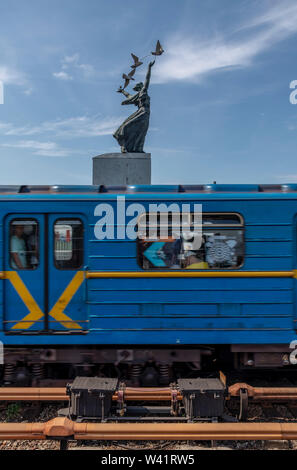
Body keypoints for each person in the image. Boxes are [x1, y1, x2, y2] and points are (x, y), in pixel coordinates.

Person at [113, 60, 155, 153]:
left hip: (145, 113)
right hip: (141, 112)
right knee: (126, 126)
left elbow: (147, 80)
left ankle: (137, 148)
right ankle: (124, 145)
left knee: (140, 132)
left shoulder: (142, 92)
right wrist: (122, 91)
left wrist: (149, 68)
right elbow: (129, 96)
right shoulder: (140, 94)